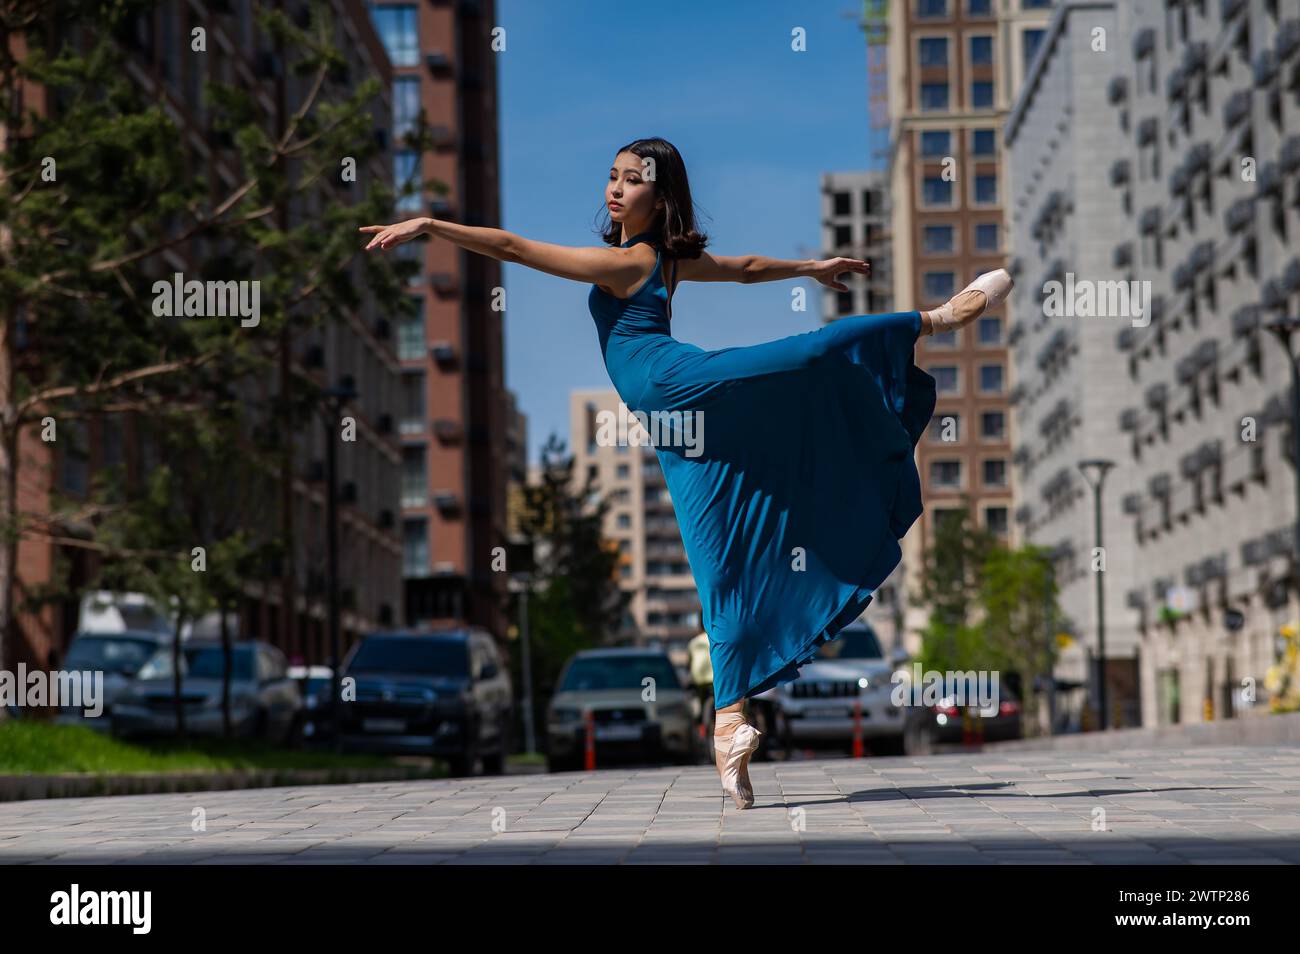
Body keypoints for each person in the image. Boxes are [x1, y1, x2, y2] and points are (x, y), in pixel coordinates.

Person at [361, 136, 1011, 809]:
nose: (615, 189)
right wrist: (808, 267)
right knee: (717, 568)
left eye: (632, 180)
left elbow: (515, 249)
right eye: (610, 176)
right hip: (675, 431)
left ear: (660, 196)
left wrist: (432, 225)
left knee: (806, 357)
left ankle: (934, 318)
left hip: (681, 387)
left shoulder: (634, 261)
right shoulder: (663, 261)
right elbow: (746, 267)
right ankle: (728, 727)